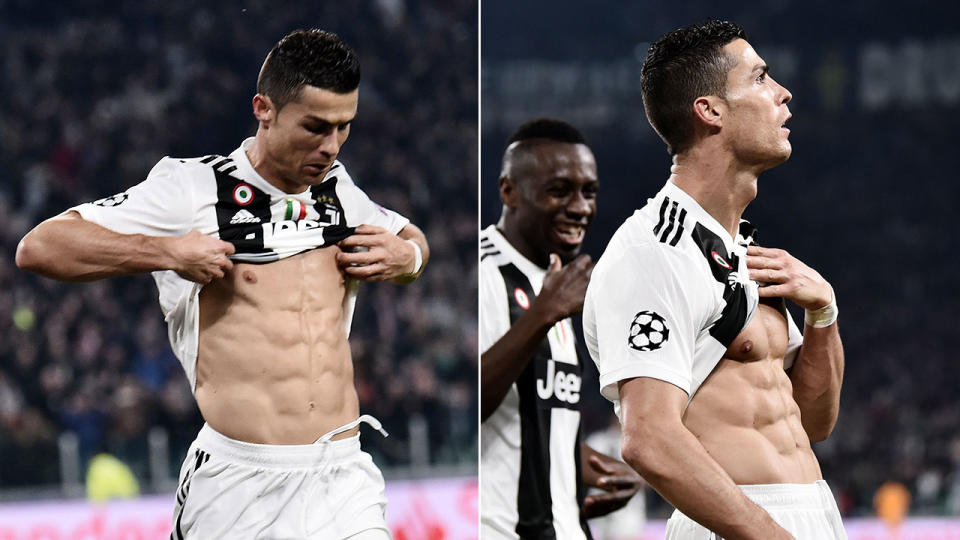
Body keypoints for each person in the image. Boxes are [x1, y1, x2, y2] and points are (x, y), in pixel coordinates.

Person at [16, 29, 429, 539]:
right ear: (264, 109)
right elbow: (40, 246)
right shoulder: (192, 190)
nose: (331, 146)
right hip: (239, 485)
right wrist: (165, 252)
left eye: (345, 127)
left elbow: (410, 236)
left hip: (343, 478)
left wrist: (407, 256)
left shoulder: (339, 190)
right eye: (316, 127)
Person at [584, 20, 845, 539]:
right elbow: (649, 438)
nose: (783, 92)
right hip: (737, 524)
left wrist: (823, 315)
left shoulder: (741, 249)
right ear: (710, 110)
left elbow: (812, 424)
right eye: (761, 78)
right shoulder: (654, 251)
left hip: (809, 513)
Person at [480, 118, 642, 539]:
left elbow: (539, 423)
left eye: (589, 192)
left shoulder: (554, 282)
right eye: (559, 190)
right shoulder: (484, 272)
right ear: (508, 190)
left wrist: (595, 470)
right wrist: (541, 315)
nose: (580, 207)